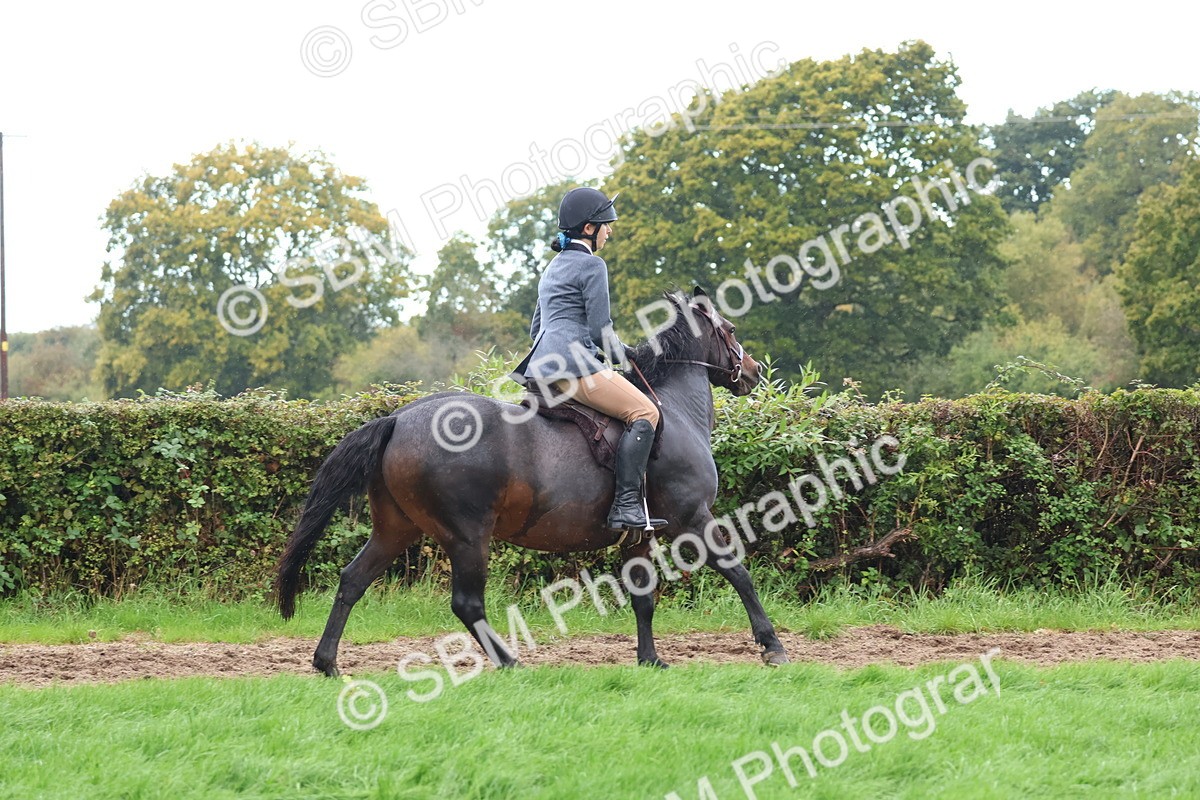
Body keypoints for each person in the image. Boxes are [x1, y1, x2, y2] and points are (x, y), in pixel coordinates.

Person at [510, 187, 667, 532]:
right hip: (575, 368)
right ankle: (626, 506)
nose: (610, 230)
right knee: (646, 412)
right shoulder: (593, 265)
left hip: (540, 368)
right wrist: (623, 354)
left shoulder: (553, 267)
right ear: (588, 229)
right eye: (606, 225)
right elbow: (600, 329)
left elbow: (537, 327)